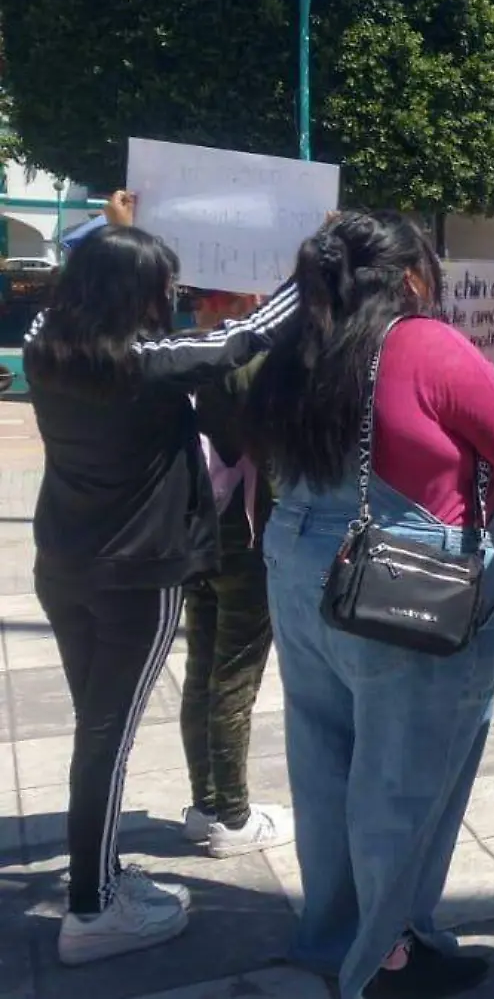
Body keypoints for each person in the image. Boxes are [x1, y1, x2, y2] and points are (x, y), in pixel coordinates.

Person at [247, 212, 494, 999]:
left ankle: (333, 938)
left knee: (322, 767)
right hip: (398, 575)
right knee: (402, 782)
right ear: (412, 274)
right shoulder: (422, 342)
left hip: (299, 561)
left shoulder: (300, 343)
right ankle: (384, 960)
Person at [23, 192, 301, 966]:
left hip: (63, 567)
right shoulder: (147, 365)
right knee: (103, 743)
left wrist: (115, 237)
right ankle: (92, 910)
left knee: (95, 733)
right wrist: (309, 273)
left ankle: (101, 874)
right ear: (134, 301)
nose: (167, 304)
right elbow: (245, 337)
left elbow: (76, 284)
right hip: (137, 580)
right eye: (159, 292)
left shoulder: (45, 343)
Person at [177, 290, 287, 860]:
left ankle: (204, 804)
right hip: (245, 536)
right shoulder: (245, 358)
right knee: (234, 678)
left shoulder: (180, 354)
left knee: (202, 670)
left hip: (195, 532)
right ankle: (234, 816)